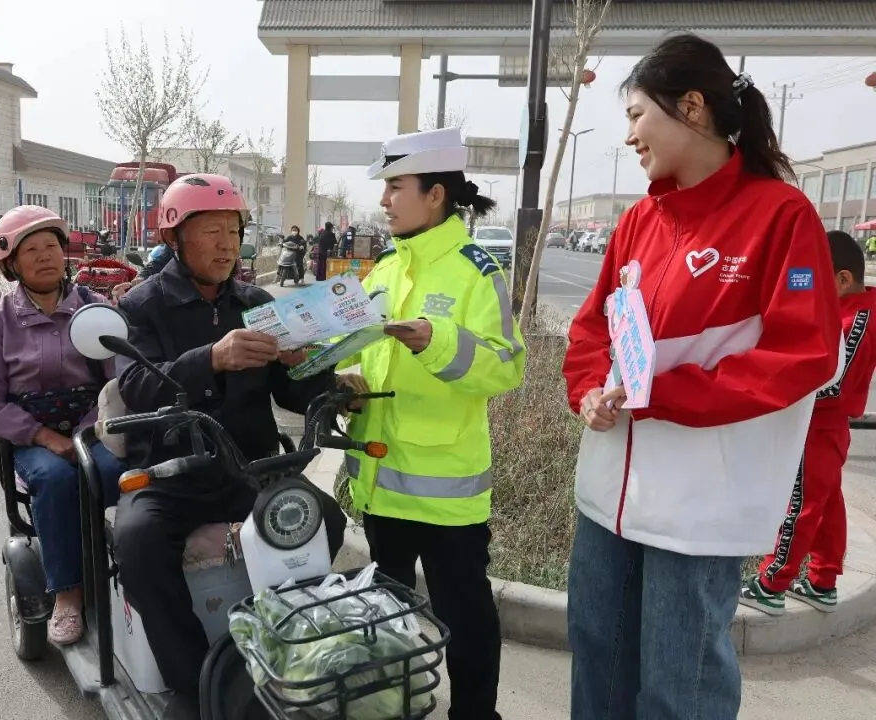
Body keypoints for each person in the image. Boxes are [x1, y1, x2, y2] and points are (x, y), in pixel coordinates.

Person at [562, 34, 843, 719]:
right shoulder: (636, 221)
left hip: (699, 506)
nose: (628, 136)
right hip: (608, 492)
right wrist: (591, 390)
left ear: (692, 107)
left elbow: (804, 353)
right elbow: (593, 328)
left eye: (635, 115)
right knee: (596, 652)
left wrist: (668, 394)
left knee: (677, 679)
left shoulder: (780, 216)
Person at [109, 173, 353, 709]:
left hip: (251, 469)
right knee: (137, 543)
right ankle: (191, 682)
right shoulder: (141, 306)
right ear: (175, 238)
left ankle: (275, 648)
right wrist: (212, 359)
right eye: (211, 231)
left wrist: (321, 378)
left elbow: (290, 394)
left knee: (328, 521)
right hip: (172, 476)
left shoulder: (256, 301)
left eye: (234, 230)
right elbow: (136, 385)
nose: (226, 244)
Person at [337, 126, 527, 720]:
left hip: (446, 492)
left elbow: (507, 365)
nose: (386, 199)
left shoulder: (477, 270)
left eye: (396, 186)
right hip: (379, 478)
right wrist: (341, 376)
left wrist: (436, 341)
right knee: (384, 621)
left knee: (465, 616)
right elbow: (355, 348)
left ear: (436, 194)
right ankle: (390, 708)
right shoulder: (386, 268)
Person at [0, 205, 124, 646]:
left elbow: (117, 381)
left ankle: (127, 569)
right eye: (31, 249)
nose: (44, 256)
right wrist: (44, 437)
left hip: (93, 428)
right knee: (55, 481)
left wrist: (90, 429)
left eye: (51, 246)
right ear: (11, 263)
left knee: (120, 475)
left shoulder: (94, 309)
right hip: (33, 435)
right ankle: (68, 595)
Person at [741, 230, 876, 615]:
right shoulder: (849, 309)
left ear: (843, 279)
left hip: (820, 427)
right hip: (824, 427)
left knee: (800, 504)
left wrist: (778, 390)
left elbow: (832, 384)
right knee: (827, 503)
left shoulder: (856, 321)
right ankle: (822, 581)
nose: (811, 289)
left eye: (819, 279)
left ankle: (772, 583)